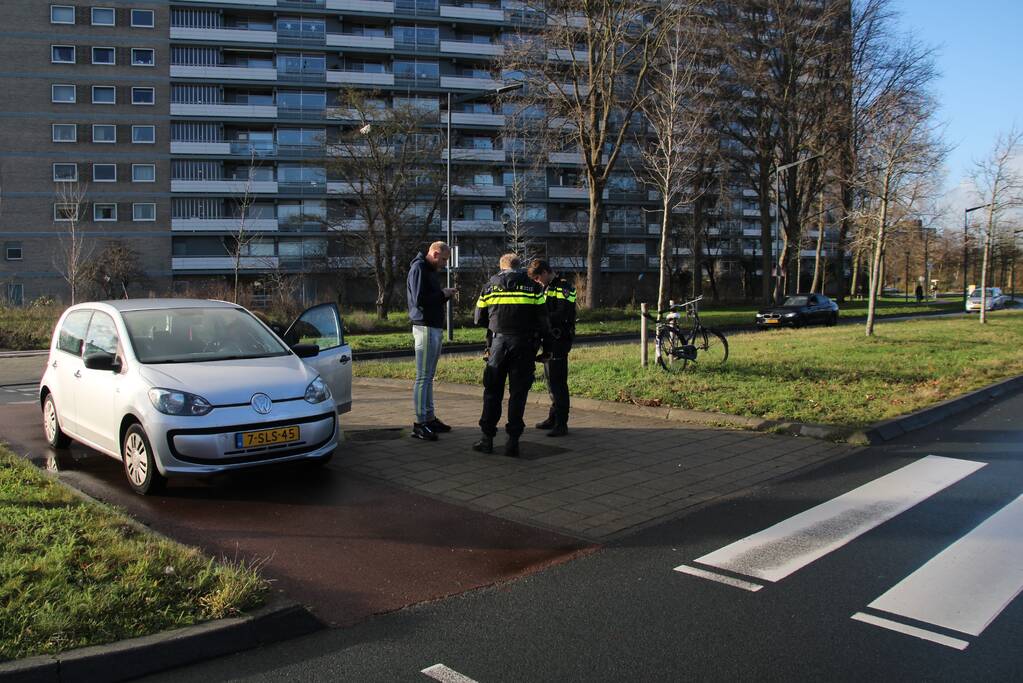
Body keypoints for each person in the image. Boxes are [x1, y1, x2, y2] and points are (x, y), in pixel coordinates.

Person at [472, 253, 552, 457]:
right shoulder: (533, 287)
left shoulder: (489, 287)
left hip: (498, 344)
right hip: (524, 345)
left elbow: (478, 318)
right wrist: (547, 348)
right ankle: (513, 442)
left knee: (492, 392)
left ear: (502, 266)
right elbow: (544, 321)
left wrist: (495, 325)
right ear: (519, 266)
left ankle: (487, 439)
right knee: (518, 394)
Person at [407, 241, 457, 441]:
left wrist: (443, 295)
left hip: (431, 326)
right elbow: (420, 299)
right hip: (425, 326)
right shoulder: (419, 268)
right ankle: (420, 423)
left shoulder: (426, 269)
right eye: (444, 259)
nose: (445, 263)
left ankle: (428, 417)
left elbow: (427, 297)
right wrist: (442, 294)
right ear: (435, 254)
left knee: (428, 377)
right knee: (423, 377)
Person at [527, 259, 576, 437]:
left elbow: (563, 313)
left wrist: (541, 318)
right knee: (550, 381)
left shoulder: (564, 287)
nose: (537, 281)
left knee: (558, 382)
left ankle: (562, 423)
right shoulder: (545, 287)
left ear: (547, 272)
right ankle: (553, 418)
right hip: (549, 339)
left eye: (539, 277)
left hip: (560, 339)